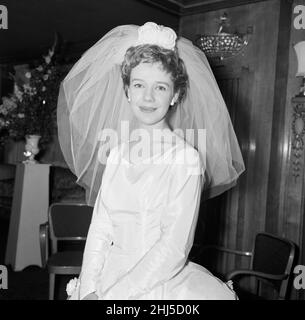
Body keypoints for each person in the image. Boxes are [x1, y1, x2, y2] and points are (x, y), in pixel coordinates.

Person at [58, 22, 245, 300]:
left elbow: (173, 247)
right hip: (105, 277)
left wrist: (111, 297)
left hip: (157, 284)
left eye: (160, 87)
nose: (147, 97)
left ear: (176, 94)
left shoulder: (186, 159)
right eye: (139, 84)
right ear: (127, 90)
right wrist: (89, 289)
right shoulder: (118, 152)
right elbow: (100, 227)